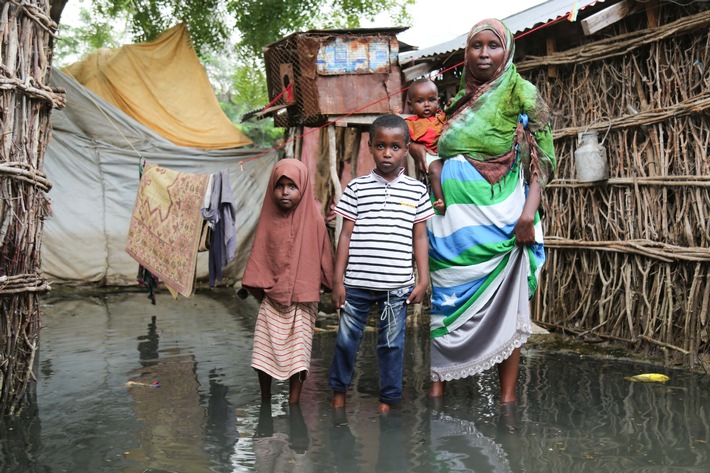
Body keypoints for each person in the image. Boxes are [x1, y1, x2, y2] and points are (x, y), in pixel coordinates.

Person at [424, 19, 556, 404]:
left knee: (506, 306)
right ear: (466, 53)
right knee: (445, 304)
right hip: (452, 231)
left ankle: (507, 398)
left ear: (508, 51)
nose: (483, 54)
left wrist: (528, 216)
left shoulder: (523, 93)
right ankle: (437, 387)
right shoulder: (458, 99)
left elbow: (543, 161)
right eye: (476, 46)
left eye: (492, 46)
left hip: (503, 223)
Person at [329, 114, 434, 414]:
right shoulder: (357, 188)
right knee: (346, 342)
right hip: (357, 285)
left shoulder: (416, 191)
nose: (387, 153)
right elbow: (345, 236)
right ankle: (338, 394)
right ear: (370, 147)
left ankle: (387, 401)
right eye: (380, 146)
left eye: (395, 147)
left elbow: (421, 239)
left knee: (391, 346)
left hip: (396, 287)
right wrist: (338, 282)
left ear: (406, 148)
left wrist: (422, 279)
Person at [242, 159, 334, 404]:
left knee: (299, 355)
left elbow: (325, 255)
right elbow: (260, 256)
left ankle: (294, 401)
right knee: (263, 352)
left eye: (292, 186)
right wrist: (262, 291)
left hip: (303, 300)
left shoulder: (313, 220)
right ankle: (265, 398)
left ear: (302, 188)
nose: (284, 192)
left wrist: (332, 286)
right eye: (280, 186)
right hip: (271, 298)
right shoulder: (268, 218)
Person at [405, 78, 447, 214]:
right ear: (410, 105)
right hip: (428, 154)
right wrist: (393, 116)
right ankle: (440, 200)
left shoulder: (441, 117)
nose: (427, 105)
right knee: (435, 170)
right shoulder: (411, 123)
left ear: (438, 101)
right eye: (420, 101)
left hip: (445, 152)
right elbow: (400, 134)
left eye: (431, 100)